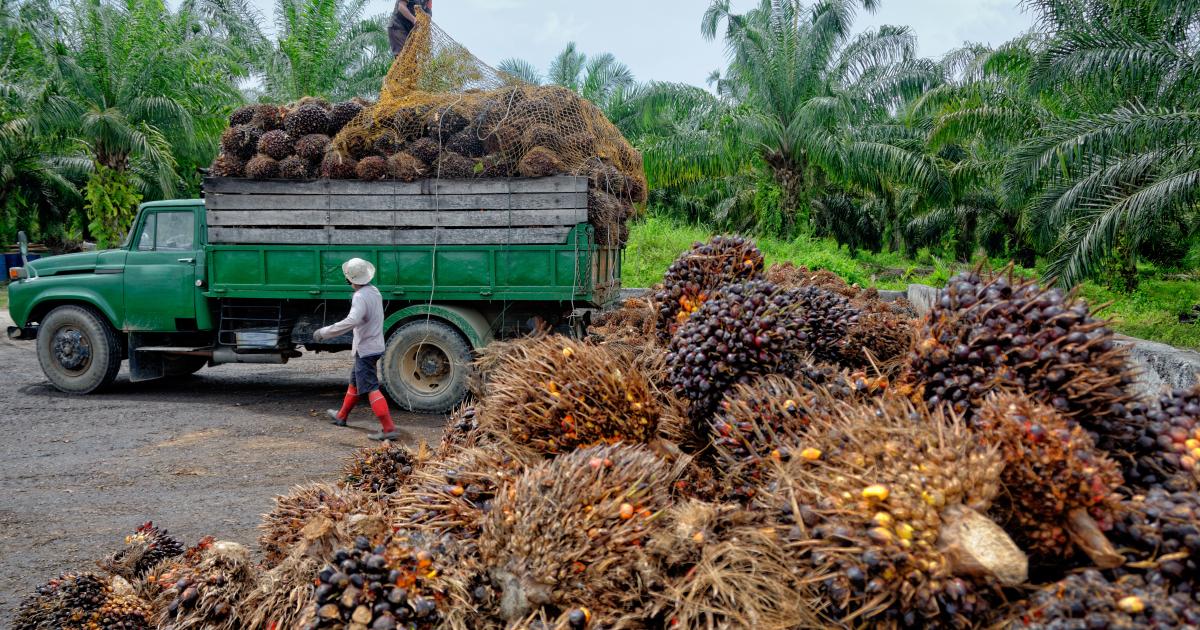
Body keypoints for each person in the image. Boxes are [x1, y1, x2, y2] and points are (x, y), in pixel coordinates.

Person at [312, 258, 403, 441]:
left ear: (349, 279)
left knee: (371, 388)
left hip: (366, 349)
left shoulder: (360, 297)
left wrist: (325, 332)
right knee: (354, 382)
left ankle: (388, 429)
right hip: (374, 345)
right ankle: (341, 416)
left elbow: (352, 321)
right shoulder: (374, 291)